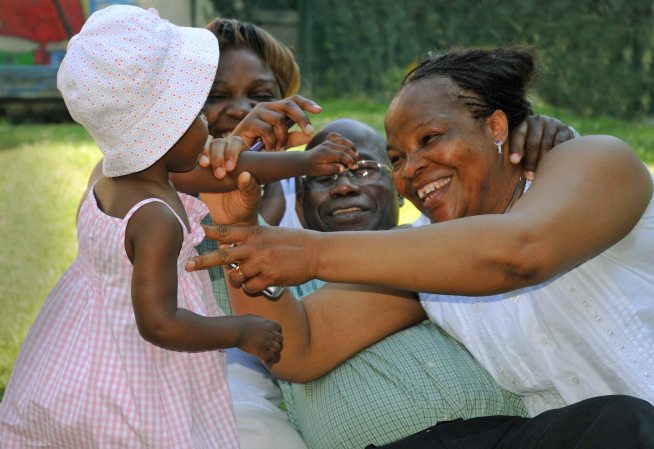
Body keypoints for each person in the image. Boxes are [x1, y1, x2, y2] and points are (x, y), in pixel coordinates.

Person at [189, 46, 654, 448]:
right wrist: (237, 226)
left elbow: (522, 252)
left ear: (496, 127)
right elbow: (299, 346)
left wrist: (310, 252)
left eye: (429, 138)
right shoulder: (430, 262)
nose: (411, 169)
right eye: (396, 158)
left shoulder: (594, 159)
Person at [0, 6, 358, 448]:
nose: (211, 129)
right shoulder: (155, 217)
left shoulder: (120, 176)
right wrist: (243, 331)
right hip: (139, 374)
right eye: (200, 115)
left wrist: (303, 161)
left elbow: (225, 169)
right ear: (165, 128)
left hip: (83, 354)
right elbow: (161, 325)